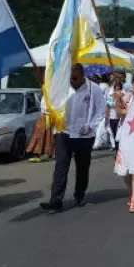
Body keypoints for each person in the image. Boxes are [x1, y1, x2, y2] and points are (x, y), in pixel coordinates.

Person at [40, 64, 106, 212]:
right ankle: (55, 201)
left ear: (83, 76)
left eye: (75, 78)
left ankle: (79, 195)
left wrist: (91, 125)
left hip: (84, 134)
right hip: (64, 132)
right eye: (69, 78)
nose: (72, 81)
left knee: (82, 167)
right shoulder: (60, 87)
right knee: (61, 167)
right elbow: (46, 104)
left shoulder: (93, 89)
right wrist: (47, 110)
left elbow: (101, 110)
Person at [114, 74, 134, 213]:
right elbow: (119, 113)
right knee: (124, 171)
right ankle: (132, 191)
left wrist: (123, 107)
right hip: (125, 136)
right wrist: (117, 99)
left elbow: (130, 112)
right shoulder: (127, 97)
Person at [26, 95, 55, 163]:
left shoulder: (52, 95)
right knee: (39, 136)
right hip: (43, 116)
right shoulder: (44, 95)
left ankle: (46, 154)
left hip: (49, 117)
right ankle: (38, 154)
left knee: (47, 136)